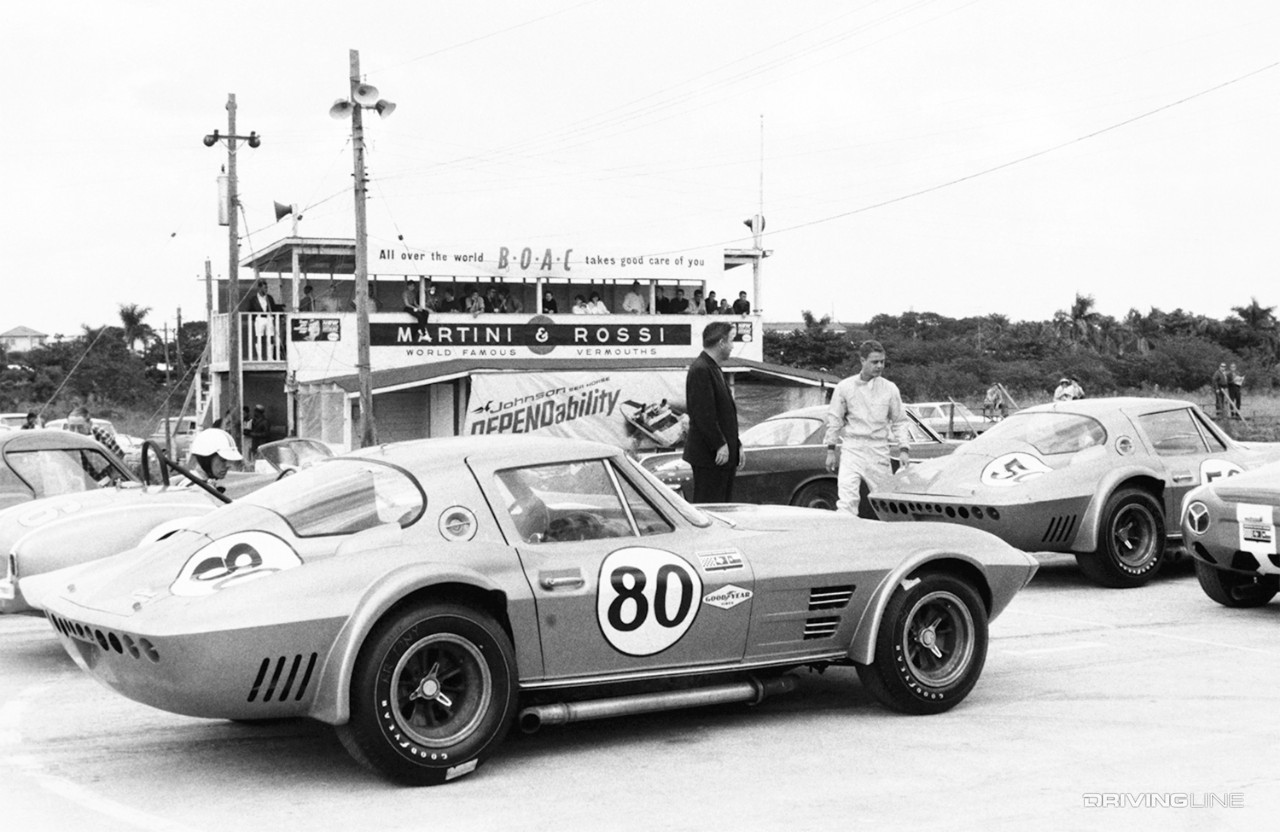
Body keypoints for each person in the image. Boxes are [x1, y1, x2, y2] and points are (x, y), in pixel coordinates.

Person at [824, 340, 910, 519]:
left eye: (882, 362)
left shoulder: (890, 388)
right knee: (847, 499)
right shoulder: (845, 387)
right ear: (862, 360)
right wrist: (831, 450)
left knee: (885, 500)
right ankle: (846, 532)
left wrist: (904, 449)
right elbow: (835, 419)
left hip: (878, 449)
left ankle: (890, 533)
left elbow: (900, 421)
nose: (879, 366)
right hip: (852, 447)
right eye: (874, 362)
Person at [682, 321, 741, 502]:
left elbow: (725, 415)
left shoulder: (713, 368)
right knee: (711, 506)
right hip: (710, 456)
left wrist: (736, 444)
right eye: (731, 340)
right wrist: (719, 444)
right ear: (721, 342)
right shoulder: (701, 369)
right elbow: (703, 414)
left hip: (721, 455)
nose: (733, 346)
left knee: (723, 506)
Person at [248, 280, 279, 360]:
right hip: (259, 318)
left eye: (267, 288)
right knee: (259, 337)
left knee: (270, 337)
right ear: (259, 288)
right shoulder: (253, 299)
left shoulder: (269, 298)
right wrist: (255, 318)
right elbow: (250, 310)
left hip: (268, 318)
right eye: (264, 288)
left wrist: (273, 317)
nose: (266, 289)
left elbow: (273, 308)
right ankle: (260, 357)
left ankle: (270, 357)